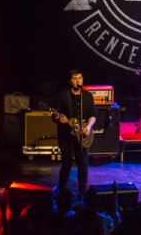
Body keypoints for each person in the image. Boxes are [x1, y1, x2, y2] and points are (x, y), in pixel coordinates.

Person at [53, 70, 97, 199]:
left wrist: (88, 127)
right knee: (67, 163)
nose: (78, 80)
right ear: (69, 81)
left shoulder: (87, 96)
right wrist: (58, 119)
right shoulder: (63, 95)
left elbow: (93, 115)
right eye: (74, 78)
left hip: (82, 135)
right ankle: (61, 190)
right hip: (66, 134)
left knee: (83, 163)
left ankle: (82, 191)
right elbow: (55, 114)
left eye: (80, 78)